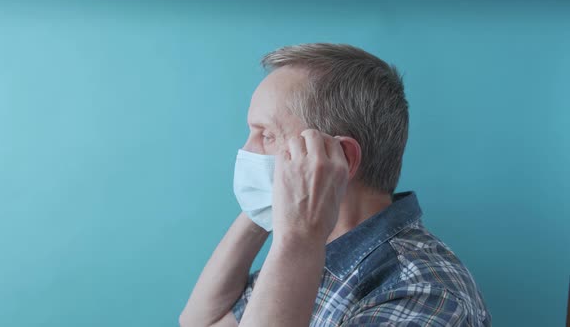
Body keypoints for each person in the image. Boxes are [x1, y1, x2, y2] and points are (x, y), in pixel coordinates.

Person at [179, 43, 491, 326]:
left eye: (267, 135)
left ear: (339, 158)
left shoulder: (422, 293)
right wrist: (264, 205)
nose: (247, 151)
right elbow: (202, 322)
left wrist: (297, 236)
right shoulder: (318, 253)